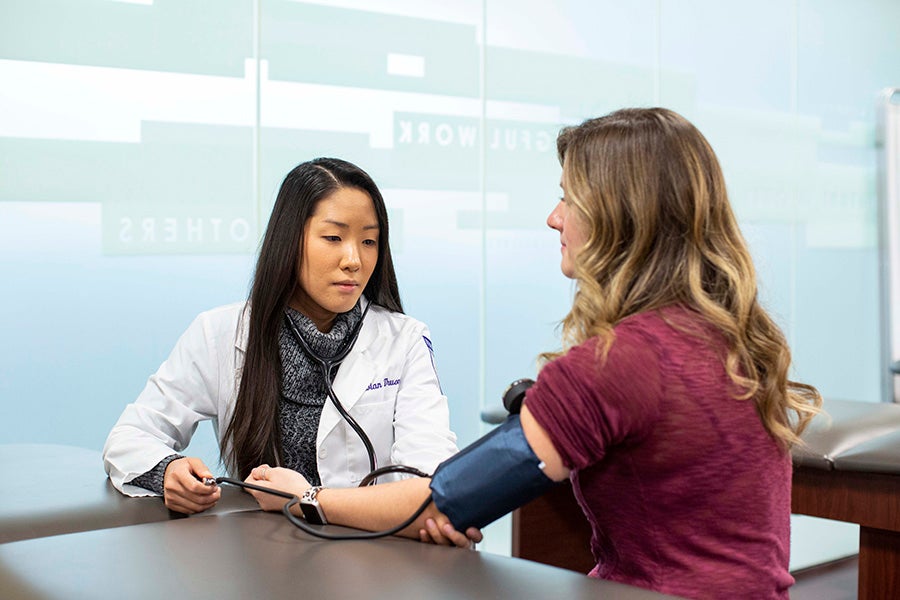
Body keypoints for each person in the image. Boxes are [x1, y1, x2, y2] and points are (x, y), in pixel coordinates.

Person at [242, 109, 822, 599]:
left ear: (622, 218)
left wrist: (308, 496)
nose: (555, 217)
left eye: (569, 198)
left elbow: (437, 505)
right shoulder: (732, 336)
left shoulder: (618, 363)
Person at [103, 157, 458, 514]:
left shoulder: (404, 339)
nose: (354, 259)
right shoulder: (220, 334)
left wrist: (310, 500)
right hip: (260, 554)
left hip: (377, 551)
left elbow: (430, 479)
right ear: (289, 240)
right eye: (333, 237)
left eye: (369, 241)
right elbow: (130, 437)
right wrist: (169, 471)